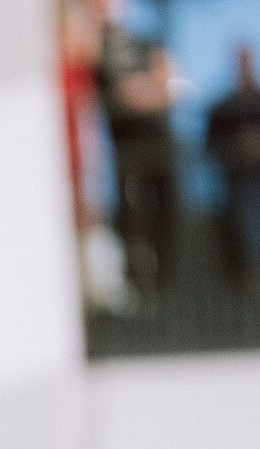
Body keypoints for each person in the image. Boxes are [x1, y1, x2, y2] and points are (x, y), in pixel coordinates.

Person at [93, 0, 177, 295]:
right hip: (122, 154)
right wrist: (139, 89)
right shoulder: (96, 47)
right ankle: (136, 282)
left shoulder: (145, 41)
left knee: (164, 216)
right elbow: (120, 93)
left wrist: (140, 90)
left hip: (158, 146)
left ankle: (163, 286)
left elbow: (168, 88)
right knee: (130, 220)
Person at [205, 46, 260, 291]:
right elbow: (211, 147)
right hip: (237, 183)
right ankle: (254, 278)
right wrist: (239, 149)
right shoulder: (224, 109)